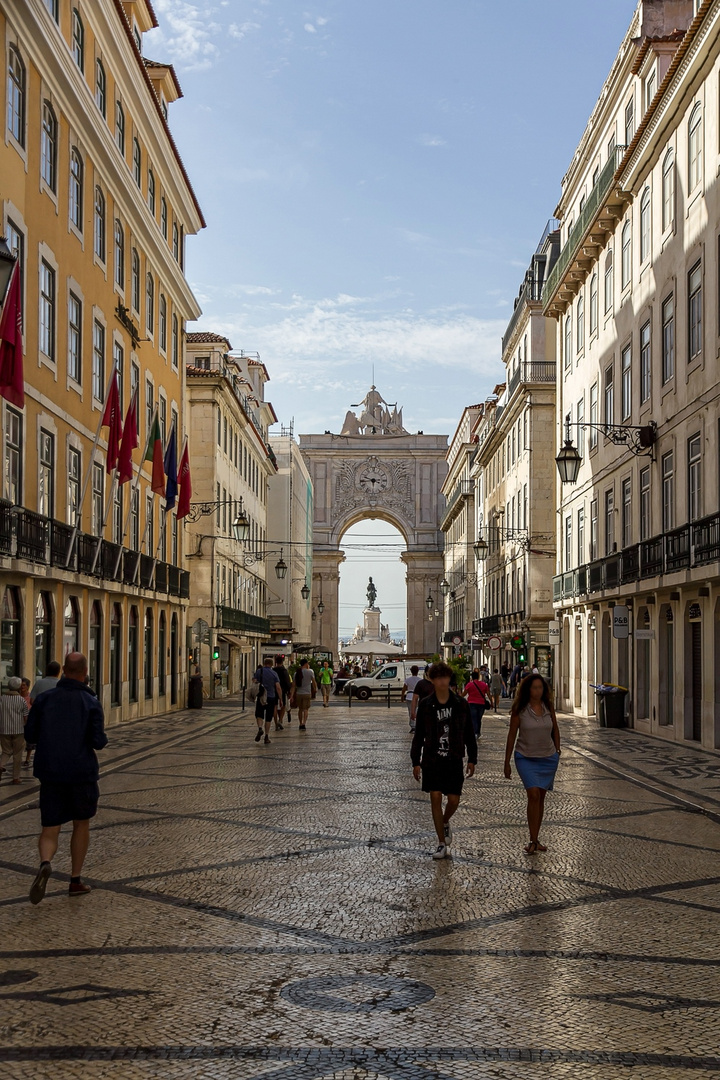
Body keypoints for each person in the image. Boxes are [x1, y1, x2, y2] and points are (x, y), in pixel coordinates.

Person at [24, 652, 107, 903]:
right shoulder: (91, 702)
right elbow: (98, 741)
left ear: (63, 672)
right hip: (81, 773)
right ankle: (75, 880)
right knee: (81, 824)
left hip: (51, 773)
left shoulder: (45, 699)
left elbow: (30, 735)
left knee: (50, 827)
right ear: (84, 673)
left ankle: (45, 862)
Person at [411, 661, 477, 859]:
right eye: (437, 678)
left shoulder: (460, 704)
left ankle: (445, 820)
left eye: (444, 677)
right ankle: (441, 843)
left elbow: (469, 733)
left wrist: (473, 758)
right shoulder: (426, 705)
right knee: (435, 797)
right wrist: (416, 761)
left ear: (449, 679)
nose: (441, 681)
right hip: (432, 759)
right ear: (432, 680)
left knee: (454, 799)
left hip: (454, 758)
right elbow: (419, 734)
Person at [503, 673, 561, 855]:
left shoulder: (548, 706)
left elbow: (555, 728)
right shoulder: (520, 709)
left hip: (548, 757)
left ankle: (536, 839)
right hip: (525, 756)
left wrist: (558, 751)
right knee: (533, 794)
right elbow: (512, 735)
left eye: (540, 687)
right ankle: (532, 839)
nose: (538, 691)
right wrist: (507, 761)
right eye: (534, 687)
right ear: (528, 689)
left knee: (541, 798)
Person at [0, 676, 29, 784]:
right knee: (17, 754)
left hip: (4, 729)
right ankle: (16, 778)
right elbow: (25, 716)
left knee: (6, 751)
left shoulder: (2, 699)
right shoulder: (21, 700)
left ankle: (1, 765)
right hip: (18, 730)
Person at [253, 658, 281, 744]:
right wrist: (280, 698)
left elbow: (254, 681)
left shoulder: (259, 671)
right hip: (271, 697)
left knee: (259, 714)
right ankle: (266, 736)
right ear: (272, 664)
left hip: (261, 696)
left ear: (264, 663)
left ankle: (260, 728)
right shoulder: (274, 673)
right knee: (268, 717)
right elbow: (278, 687)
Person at [463, 669, 490, 738]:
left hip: (472, 703)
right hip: (481, 704)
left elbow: (464, 694)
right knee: (479, 718)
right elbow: (488, 694)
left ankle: (475, 732)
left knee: (473, 718)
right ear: (478, 677)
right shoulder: (484, 684)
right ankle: (477, 732)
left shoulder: (469, 685)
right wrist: (492, 702)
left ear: (472, 677)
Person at [291, 659, 316, 731]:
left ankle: (300, 723)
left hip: (299, 693)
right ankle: (304, 723)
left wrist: (292, 695)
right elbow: (313, 682)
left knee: (300, 709)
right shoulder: (310, 672)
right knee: (306, 709)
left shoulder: (297, 673)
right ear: (306, 664)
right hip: (307, 693)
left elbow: (293, 685)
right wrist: (315, 689)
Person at [410, 666, 434, 731]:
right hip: (423, 710)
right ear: (426, 673)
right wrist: (413, 711)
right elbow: (415, 698)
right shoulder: (421, 684)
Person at [273, 655, 292, 729]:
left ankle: (277, 721)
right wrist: (289, 691)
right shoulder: (284, 671)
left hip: (274, 690)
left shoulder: (273, 670)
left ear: (276, 662)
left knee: (276, 706)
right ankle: (280, 720)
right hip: (283, 691)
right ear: (282, 661)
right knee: (283, 705)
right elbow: (287, 682)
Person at [402, 665, 422, 731]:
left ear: (411, 671)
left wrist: (402, 696)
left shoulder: (407, 680)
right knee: (417, 711)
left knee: (410, 711)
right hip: (418, 697)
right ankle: (417, 724)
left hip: (409, 696)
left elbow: (404, 689)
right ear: (418, 671)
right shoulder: (420, 680)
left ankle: (412, 725)